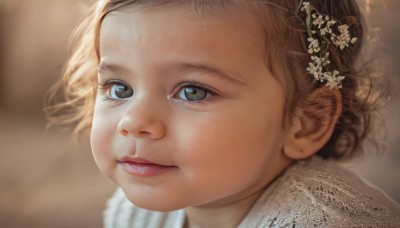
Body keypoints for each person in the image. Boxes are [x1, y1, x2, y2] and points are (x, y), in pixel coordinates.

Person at [46, 0, 400, 227]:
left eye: (193, 91)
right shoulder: (134, 210)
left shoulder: (326, 222)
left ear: (307, 122)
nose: (134, 122)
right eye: (119, 88)